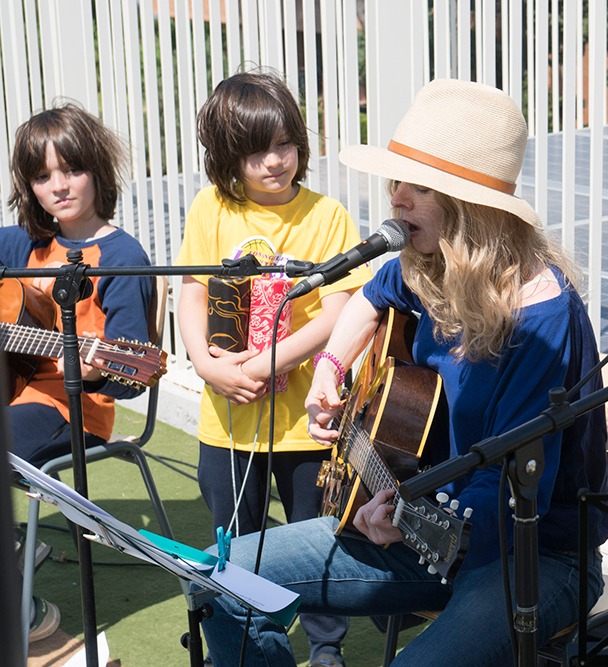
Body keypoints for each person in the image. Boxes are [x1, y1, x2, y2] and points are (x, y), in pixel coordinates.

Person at [197, 78, 608, 667]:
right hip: (427, 527)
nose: (397, 199)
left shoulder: (543, 320)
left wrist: (411, 515)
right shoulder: (427, 264)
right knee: (221, 578)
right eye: (397, 183)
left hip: (535, 554)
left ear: (472, 209)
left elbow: (512, 490)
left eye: (419, 187)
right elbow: (373, 295)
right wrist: (331, 368)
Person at [174, 70, 370, 667]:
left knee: (318, 539)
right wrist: (204, 363)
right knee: (237, 542)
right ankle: (254, 645)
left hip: (307, 424)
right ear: (226, 155)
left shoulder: (327, 215)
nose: (275, 161)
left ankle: (327, 647)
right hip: (228, 420)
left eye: (284, 144)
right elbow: (191, 289)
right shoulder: (211, 207)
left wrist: (263, 362)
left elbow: (338, 315)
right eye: (256, 151)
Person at [3, 103, 154, 641]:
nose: (59, 186)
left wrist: (93, 372)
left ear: (97, 170)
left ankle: (26, 609)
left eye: (71, 170)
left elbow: (131, 376)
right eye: (43, 176)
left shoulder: (122, 256)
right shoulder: (21, 243)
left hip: (73, 406)